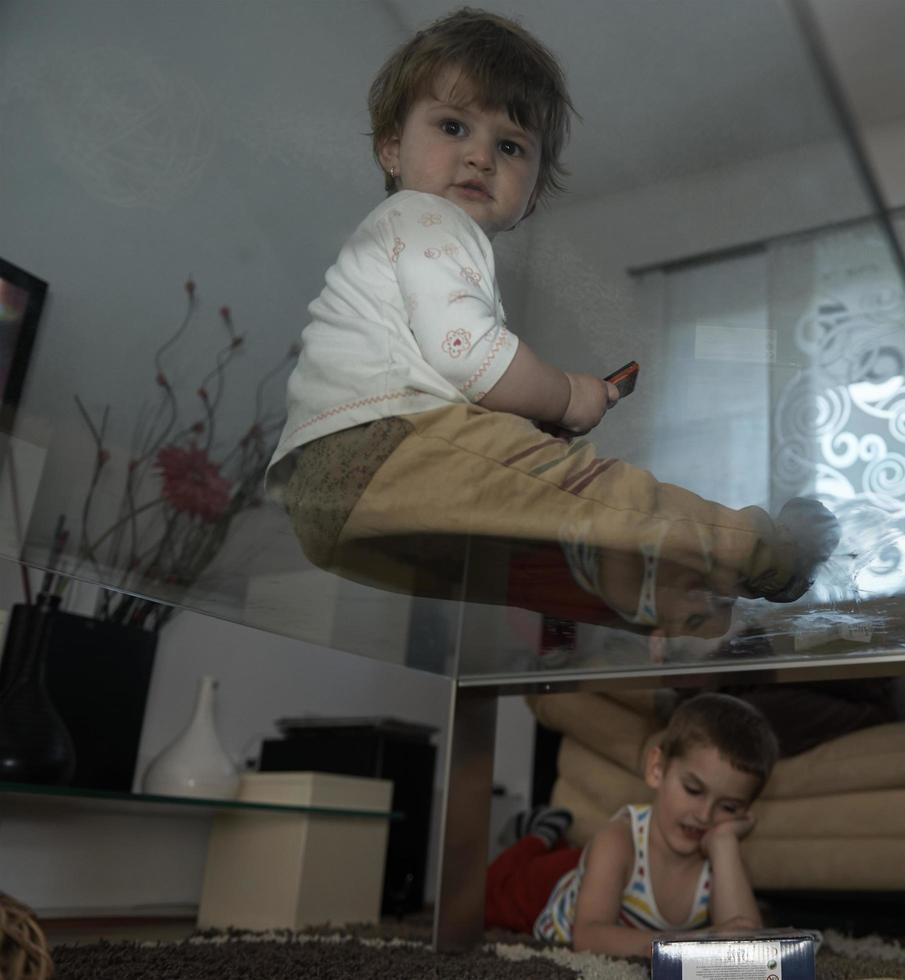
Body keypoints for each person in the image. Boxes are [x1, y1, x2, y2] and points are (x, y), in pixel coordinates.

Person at [266, 7, 839, 639]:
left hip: (327, 502)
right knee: (595, 494)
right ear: (392, 148)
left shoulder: (402, 241)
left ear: (532, 192)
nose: (479, 156)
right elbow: (468, 357)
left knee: (541, 548)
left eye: (508, 146)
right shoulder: (427, 220)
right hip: (383, 446)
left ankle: (675, 606)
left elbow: (445, 371)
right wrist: (568, 395)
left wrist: (517, 418)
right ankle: (764, 550)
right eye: (453, 126)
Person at [485, 693, 779, 958]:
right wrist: (684, 944)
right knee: (496, 890)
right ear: (657, 770)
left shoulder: (720, 853)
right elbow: (587, 936)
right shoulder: (619, 839)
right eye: (693, 789)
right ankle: (537, 832)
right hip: (550, 907)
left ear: (745, 812)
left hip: (600, 883)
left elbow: (748, 948)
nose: (704, 815)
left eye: (728, 807)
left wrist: (725, 842)